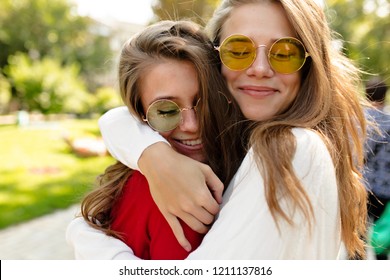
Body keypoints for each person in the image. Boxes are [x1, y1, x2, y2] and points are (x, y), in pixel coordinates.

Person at [67, 0, 369, 259]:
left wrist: (88, 240)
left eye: (285, 52)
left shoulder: (290, 148)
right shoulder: (237, 148)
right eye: (239, 50)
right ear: (214, 63)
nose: (260, 68)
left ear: (310, 65)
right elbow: (122, 117)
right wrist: (152, 154)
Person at [74, 20, 248, 259]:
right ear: (138, 114)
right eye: (166, 111)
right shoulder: (181, 199)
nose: (192, 125)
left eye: (205, 102)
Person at [363, 76, 390, 259]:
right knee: (382, 237)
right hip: (385, 188)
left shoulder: (359, 119)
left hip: (361, 186)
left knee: (358, 236)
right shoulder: (388, 121)